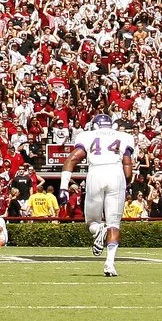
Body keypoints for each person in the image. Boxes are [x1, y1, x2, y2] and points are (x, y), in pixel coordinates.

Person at [60, 114, 135, 277]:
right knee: (114, 223)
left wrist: (64, 187)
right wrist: (126, 182)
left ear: (94, 126)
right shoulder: (124, 137)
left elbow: (71, 159)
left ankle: (98, 230)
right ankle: (110, 263)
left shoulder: (86, 136)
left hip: (96, 173)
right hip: (116, 173)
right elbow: (128, 168)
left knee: (92, 222)